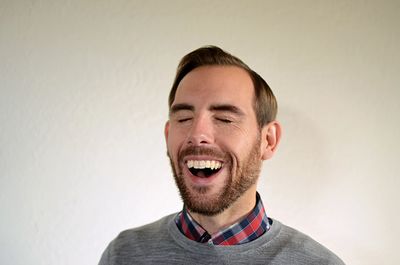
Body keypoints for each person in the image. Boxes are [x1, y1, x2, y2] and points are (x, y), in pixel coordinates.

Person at [99, 46, 345, 265]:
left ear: (268, 141)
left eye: (225, 119)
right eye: (184, 118)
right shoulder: (123, 255)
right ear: (167, 135)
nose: (197, 134)